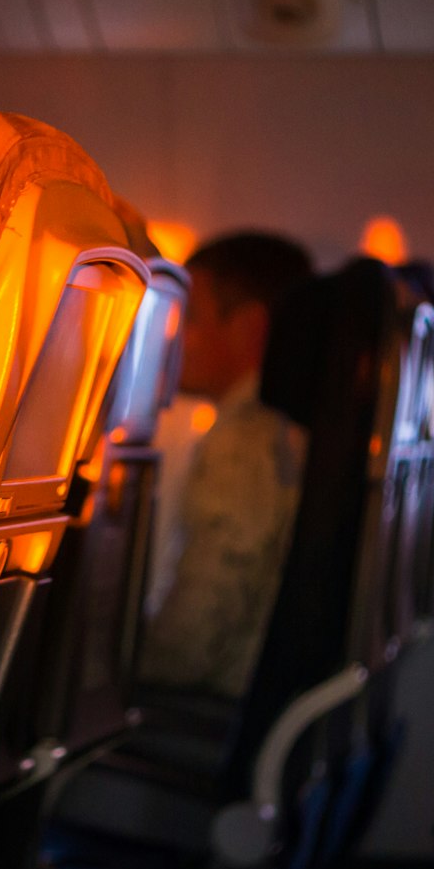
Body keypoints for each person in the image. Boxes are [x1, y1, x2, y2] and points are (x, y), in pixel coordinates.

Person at [140, 232, 314, 698]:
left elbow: (193, 640)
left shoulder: (244, 441)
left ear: (249, 328)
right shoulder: (291, 429)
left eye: (189, 316)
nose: (174, 335)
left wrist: (108, 667)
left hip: (211, 712)